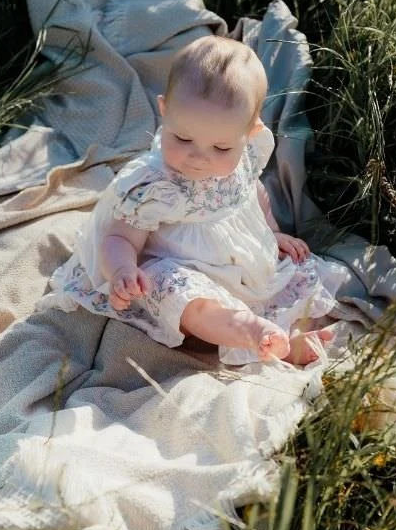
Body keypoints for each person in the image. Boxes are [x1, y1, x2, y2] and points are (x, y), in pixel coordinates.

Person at [39, 36, 348, 366]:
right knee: (181, 295)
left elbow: (251, 194)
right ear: (164, 111)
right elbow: (118, 237)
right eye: (183, 138)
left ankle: (286, 338)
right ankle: (250, 332)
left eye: (221, 148)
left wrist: (272, 233)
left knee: (285, 278)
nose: (198, 157)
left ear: (250, 133)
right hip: (173, 264)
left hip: (234, 262)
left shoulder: (244, 155)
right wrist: (121, 270)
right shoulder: (153, 185)